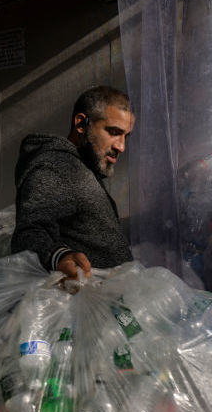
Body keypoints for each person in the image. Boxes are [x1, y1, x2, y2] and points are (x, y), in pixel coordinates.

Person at [11, 86, 136, 280]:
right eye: (113, 132)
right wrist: (58, 257)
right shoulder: (56, 166)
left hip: (110, 300)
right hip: (86, 304)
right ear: (81, 124)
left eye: (125, 136)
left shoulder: (82, 166)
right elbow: (30, 232)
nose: (121, 146)